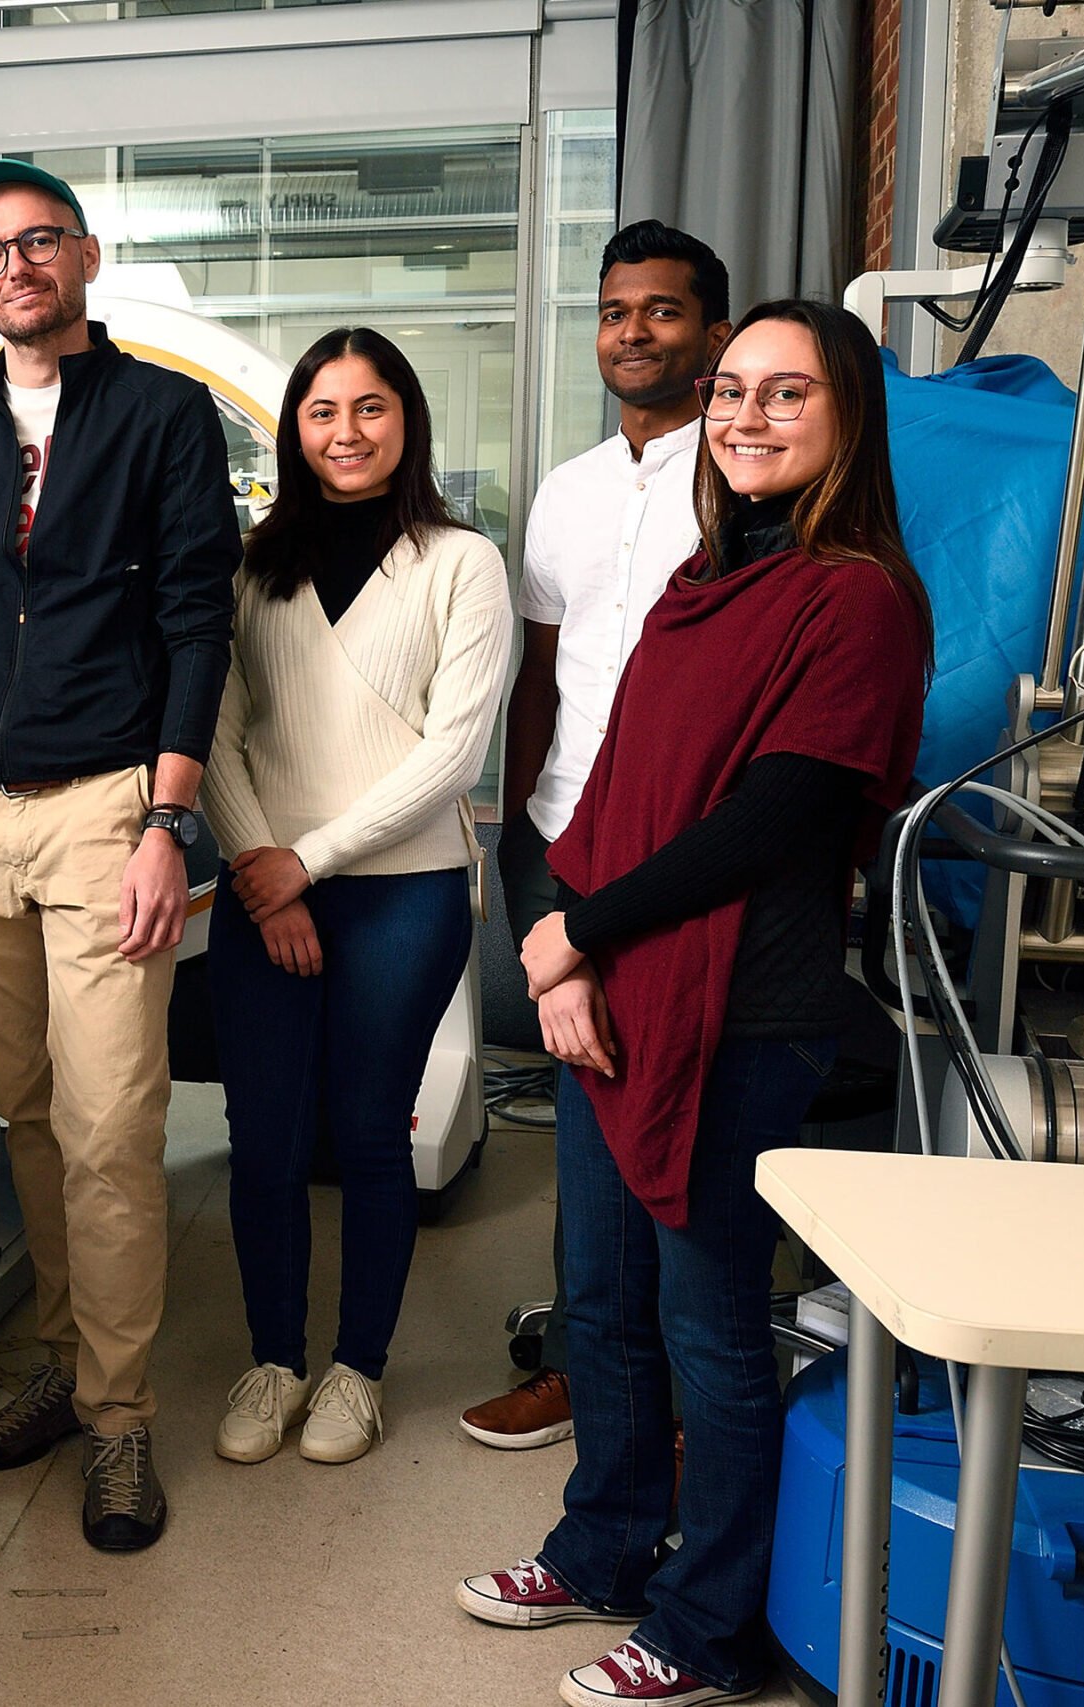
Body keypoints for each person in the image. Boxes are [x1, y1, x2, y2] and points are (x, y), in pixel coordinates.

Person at [456, 301, 929, 1707]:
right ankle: (602, 1540)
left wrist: (574, 934)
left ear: (849, 415)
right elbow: (613, 787)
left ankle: (708, 1620)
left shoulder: (857, 598)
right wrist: (564, 939)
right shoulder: (696, 581)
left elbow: (774, 819)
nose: (747, 415)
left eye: (788, 394)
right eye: (733, 392)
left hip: (742, 1012)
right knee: (598, 1299)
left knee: (708, 1319)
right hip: (616, 990)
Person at [0, 158, 241, 1552]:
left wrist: (167, 819)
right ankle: (59, 1354)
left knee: (110, 1126)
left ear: (83, 257)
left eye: (36, 243)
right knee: (25, 1110)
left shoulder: (160, 412)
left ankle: (121, 1417)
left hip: (103, 806)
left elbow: (201, 615)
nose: (12, 268)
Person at [199, 328, 510, 1467]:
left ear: (406, 420)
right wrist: (262, 875)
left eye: (368, 408)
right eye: (322, 412)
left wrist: (310, 861)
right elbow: (216, 736)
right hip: (258, 883)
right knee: (265, 1140)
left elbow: (452, 754)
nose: (345, 432)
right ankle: (273, 1358)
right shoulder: (247, 566)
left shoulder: (458, 561)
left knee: (371, 1135)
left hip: (401, 892)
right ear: (294, 432)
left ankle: (356, 1371)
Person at [461, 221, 732, 1455]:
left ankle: (684, 1394)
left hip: (693, 847)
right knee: (584, 1116)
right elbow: (539, 679)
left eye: (662, 311)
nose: (634, 331)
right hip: (570, 834)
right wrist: (517, 826)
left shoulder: (744, 483)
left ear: (709, 334)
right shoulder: (567, 493)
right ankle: (585, 1365)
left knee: (679, 1119)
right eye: (617, 311)